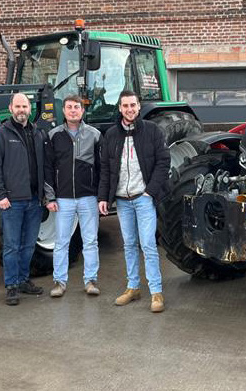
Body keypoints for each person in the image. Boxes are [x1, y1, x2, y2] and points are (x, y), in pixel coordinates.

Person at [98, 90, 170, 313]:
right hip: (122, 200)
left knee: (148, 245)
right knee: (129, 244)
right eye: (125, 106)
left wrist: (150, 191)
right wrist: (103, 197)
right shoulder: (111, 135)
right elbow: (106, 168)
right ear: (120, 108)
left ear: (139, 107)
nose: (129, 109)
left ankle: (156, 292)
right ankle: (133, 287)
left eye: (133, 105)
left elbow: (163, 161)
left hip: (143, 198)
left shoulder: (152, 130)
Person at [0, 93, 47, 306]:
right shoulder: (1, 134)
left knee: (29, 245)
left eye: (25, 106)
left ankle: (23, 280)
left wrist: (45, 195)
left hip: (35, 200)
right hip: (13, 201)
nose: (22, 110)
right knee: (11, 245)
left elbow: (44, 165)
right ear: (10, 108)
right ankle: (11, 285)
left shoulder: (38, 133)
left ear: (30, 109)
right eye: (18, 106)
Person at [44, 96, 102, 297]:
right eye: (69, 107)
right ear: (64, 111)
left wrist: (101, 196)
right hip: (64, 199)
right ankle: (59, 282)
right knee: (61, 242)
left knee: (91, 241)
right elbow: (48, 168)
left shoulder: (94, 135)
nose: (73, 110)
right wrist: (50, 198)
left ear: (82, 111)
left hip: (88, 198)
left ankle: (90, 281)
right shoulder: (54, 136)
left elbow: (102, 168)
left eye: (76, 107)